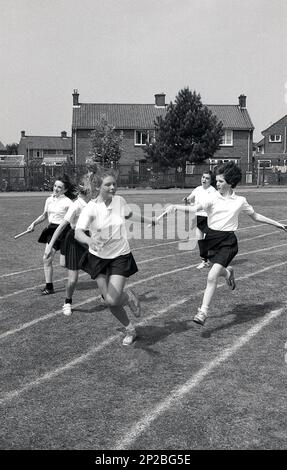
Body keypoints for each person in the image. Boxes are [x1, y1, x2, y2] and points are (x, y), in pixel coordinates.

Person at [164, 161, 287, 326]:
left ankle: (203, 311)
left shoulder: (240, 201)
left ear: (230, 182)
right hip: (211, 239)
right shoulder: (212, 197)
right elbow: (195, 209)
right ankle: (228, 273)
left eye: (220, 181)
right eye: (217, 181)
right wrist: (175, 207)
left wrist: (279, 224)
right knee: (218, 271)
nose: (217, 184)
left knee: (211, 275)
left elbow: (256, 216)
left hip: (228, 242)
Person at [75, 166, 157, 346]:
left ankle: (127, 297)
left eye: (114, 184)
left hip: (120, 255)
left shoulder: (119, 200)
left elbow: (128, 214)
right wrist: (90, 242)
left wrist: (149, 220)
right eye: (108, 185)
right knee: (109, 302)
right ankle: (130, 329)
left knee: (112, 299)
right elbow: (78, 232)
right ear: (98, 187)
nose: (113, 188)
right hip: (97, 257)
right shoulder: (91, 208)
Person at [43, 174, 93, 315]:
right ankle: (67, 302)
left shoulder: (92, 203)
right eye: (91, 189)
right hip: (75, 240)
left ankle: (104, 295)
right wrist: (50, 245)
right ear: (86, 191)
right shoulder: (76, 206)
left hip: (89, 238)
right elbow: (61, 227)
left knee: (100, 270)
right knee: (73, 278)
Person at [27, 175, 76, 295]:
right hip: (51, 230)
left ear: (65, 190)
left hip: (64, 231)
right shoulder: (49, 199)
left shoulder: (68, 203)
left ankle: (99, 273)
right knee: (46, 258)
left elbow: (72, 221)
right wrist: (33, 224)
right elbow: (44, 215)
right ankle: (49, 287)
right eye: (55, 186)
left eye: (59, 187)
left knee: (66, 263)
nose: (56, 189)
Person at [183, 170, 217, 269]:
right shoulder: (198, 189)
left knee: (209, 240)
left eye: (207, 178)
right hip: (198, 217)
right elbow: (190, 198)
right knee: (200, 239)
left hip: (208, 218)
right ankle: (204, 261)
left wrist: (196, 206)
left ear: (211, 181)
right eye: (203, 177)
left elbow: (209, 205)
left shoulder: (213, 191)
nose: (204, 179)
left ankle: (214, 257)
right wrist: (187, 200)